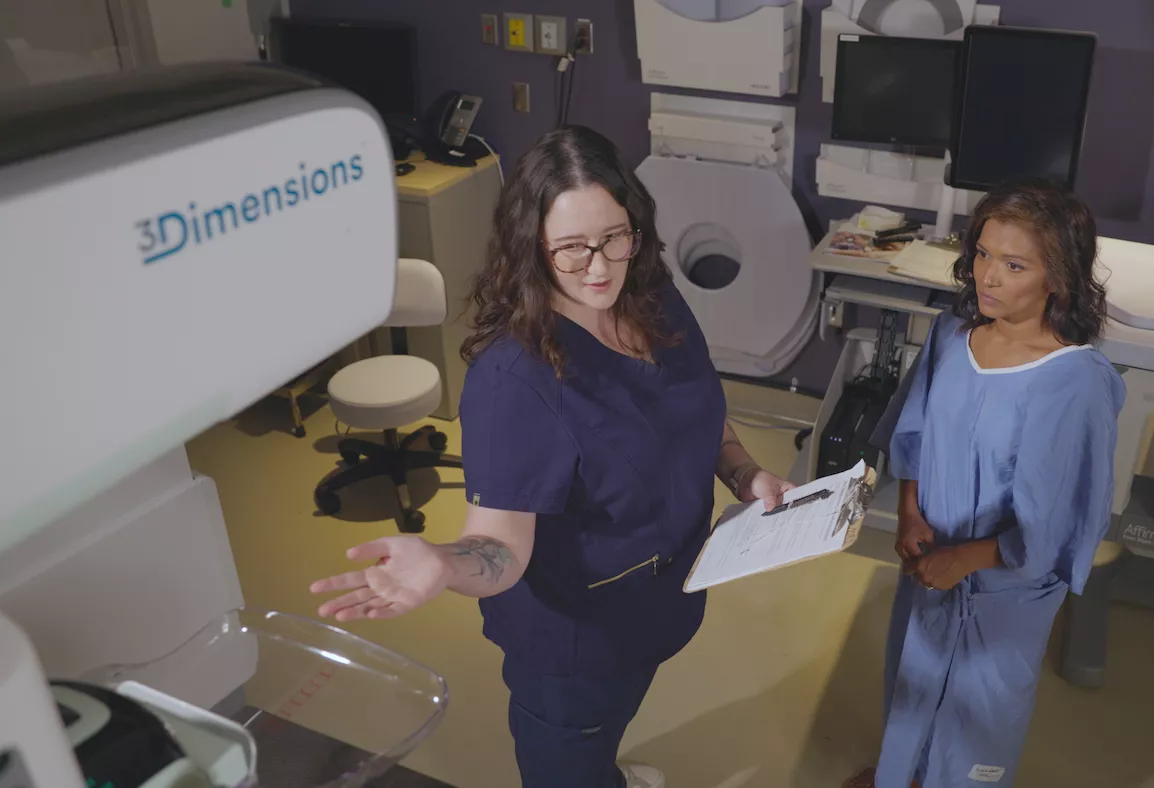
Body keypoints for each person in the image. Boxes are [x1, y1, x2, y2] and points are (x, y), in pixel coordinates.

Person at [309, 126, 794, 788]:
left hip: (663, 596)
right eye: (570, 250)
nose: (599, 268)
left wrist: (743, 470)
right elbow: (500, 549)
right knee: (565, 766)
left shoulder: (653, 297)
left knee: (609, 734)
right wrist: (446, 564)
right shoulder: (515, 381)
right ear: (531, 249)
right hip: (578, 643)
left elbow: (696, 408)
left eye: (614, 238)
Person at [845, 178, 1126, 788]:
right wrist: (913, 515)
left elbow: (1057, 524)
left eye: (1015, 264)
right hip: (930, 561)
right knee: (912, 680)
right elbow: (914, 430)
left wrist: (967, 559)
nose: (988, 278)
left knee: (977, 717)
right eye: (983, 254)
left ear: (1059, 277)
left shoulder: (1072, 383)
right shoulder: (953, 336)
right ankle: (904, 774)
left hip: (1003, 590)